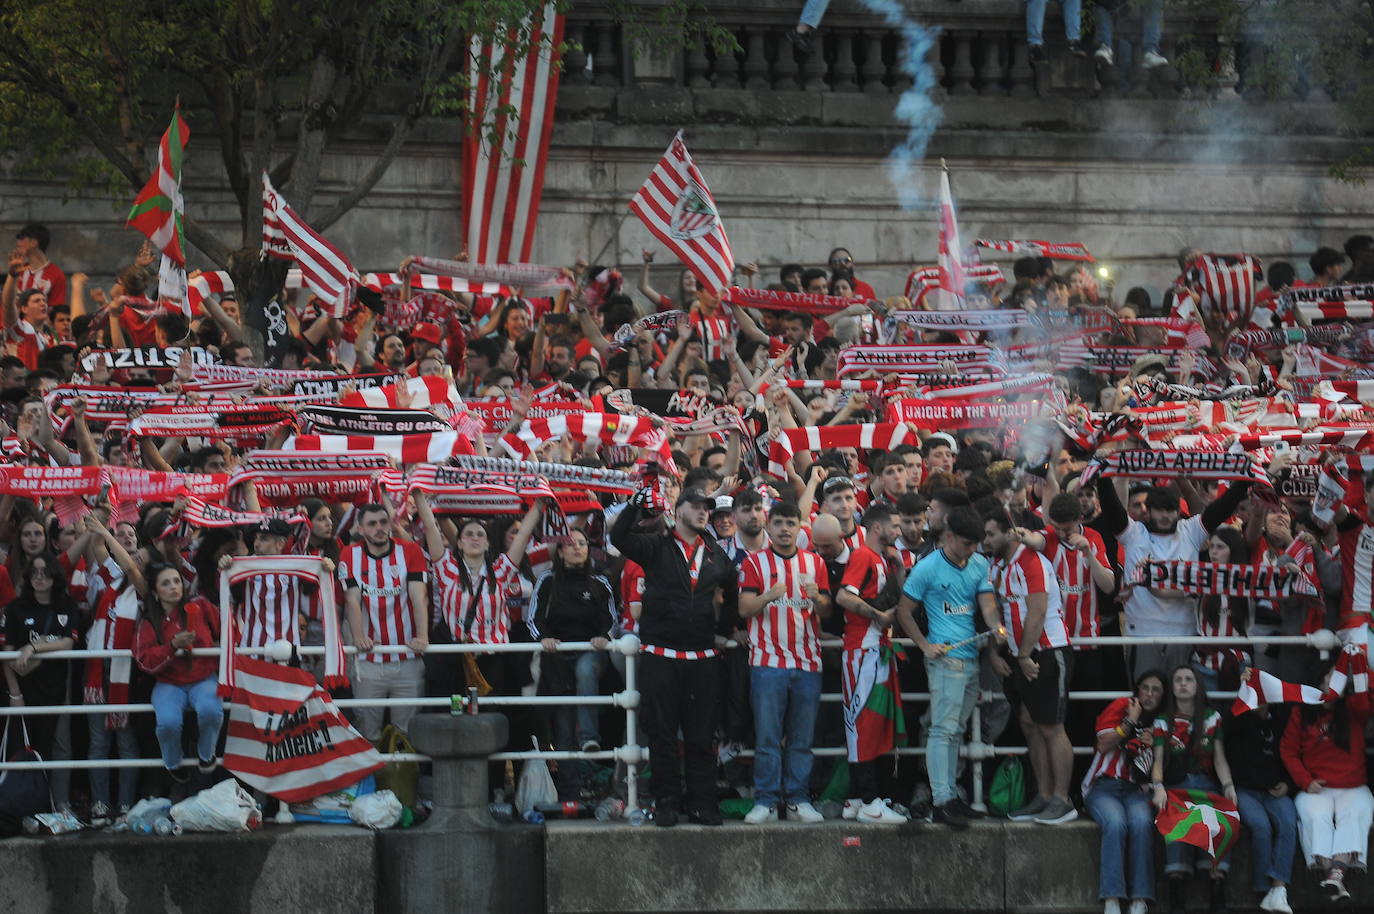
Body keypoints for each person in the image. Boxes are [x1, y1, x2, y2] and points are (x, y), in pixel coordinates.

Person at [610, 486, 738, 828]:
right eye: (695, 507)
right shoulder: (656, 546)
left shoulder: (714, 552)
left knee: (701, 736)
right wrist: (635, 506)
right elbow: (620, 537)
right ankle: (667, 803)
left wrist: (724, 630)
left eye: (706, 509)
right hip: (660, 654)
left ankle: (702, 804)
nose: (702, 513)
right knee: (662, 735)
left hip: (703, 656)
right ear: (678, 510)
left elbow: (733, 588)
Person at [895, 505, 995, 828]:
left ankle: (949, 796)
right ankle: (941, 799)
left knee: (956, 730)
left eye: (975, 544)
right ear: (949, 536)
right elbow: (904, 612)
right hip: (945, 658)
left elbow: (987, 604)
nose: (972, 551)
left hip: (970, 656)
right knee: (943, 729)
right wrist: (925, 645)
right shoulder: (927, 568)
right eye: (967, 544)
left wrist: (996, 627)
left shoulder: (979, 563)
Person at [738, 501, 831, 825]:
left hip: (807, 662)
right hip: (767, 662)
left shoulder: (814, 562)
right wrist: (768, 596)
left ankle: (797, 799)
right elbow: (744, 608)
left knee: (802, 738)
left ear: (799, 526)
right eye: (778, 523)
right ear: (768, 525)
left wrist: (818, 597)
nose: (784, 529)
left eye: (790, 523)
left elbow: (827, 612)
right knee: (767, 737)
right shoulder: (754, 563)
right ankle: (765, 800)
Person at [983, 512, 1077, 826]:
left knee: (1052, 725)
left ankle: (1063, 800)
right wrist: (996, 653)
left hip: (1048, 652)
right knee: (1029, 723)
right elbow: (997, 613)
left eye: (992, 534)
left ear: (1011, 533)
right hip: (1017, 654)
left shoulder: (1033, 561)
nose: (987, 541)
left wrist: (1023, 656)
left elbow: (1037, 611)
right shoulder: (997, 566)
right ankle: (1045, 795)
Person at [529, 528, 618, 794]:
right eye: (570, 543)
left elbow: (611, 619)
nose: (577, 547)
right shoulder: (547, 579)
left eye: (582, 543)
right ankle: (570, 791)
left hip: (591, 654)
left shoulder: (600, 581)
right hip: (556, 659)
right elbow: (534, 619)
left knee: (585, 669)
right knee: (563, 726)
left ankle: (590, 738)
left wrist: (604, 636)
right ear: (560, 550)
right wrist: (544, 638)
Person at [834, 501, 907, 824]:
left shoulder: (884, 560)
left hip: (877, 650)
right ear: (877, 528)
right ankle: (868, 799)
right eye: (894, 526)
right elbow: (843, 597)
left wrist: (901, 569)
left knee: (873, 724)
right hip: (863, 650)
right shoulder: (863, 556)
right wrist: (877, 615)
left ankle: (857, 798)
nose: (899, 531)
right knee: (863, 724)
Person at [1280, 663, 1373, 901]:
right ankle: (1334, 877)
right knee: (1314, 817)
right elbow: (1288, 750)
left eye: (1342, 677)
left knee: (1354, 814)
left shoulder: (1355, 707)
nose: (1338, 681)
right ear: (1319, 683)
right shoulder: (1302, 712)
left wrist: (1360, 661)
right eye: (1332, 677)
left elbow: (1368, 691)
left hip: (1353, 786)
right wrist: (1305, 781)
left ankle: (1335, 875)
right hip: (1315, 787)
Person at [339, 502, 429, 743]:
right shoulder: (350, 554)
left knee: (406, 733)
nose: (379, 528)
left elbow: (418, 595)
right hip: (368, 660)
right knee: (368, 733)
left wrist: (422, 636)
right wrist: (358, 636)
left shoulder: (410, 551)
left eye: (383, 521)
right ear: (361, 529)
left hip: (408, 657)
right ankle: (372, 782)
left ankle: (404, 781)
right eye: (372, 524)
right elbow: (352, 600)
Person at [1151, 665, 1236, 914]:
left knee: (1221, 823)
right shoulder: (1162, 721)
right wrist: (1158, 787)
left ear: (1197, 685)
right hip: (1175, 787)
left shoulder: (1212, 717)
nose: (1183, 684)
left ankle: (1216, 896)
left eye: (1189, 679)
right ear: (1173, 687)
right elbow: (1157, 762)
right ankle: (1177, 901)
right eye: (1178, 680)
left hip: (1207, 785)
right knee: (1177, 824)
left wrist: (1228, 786)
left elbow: (1219, 759)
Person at [1083, 669, 1167, 914]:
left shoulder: (1163, 720)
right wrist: (1129, 721)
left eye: (1156, 690)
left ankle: (1140, 899)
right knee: (1116, 822)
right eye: (1145, 688)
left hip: (1136, 790)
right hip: (1104, 787)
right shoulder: (1122, 705)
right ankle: (1112, 898)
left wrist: (1157, 744)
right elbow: (1103, 744)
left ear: (1163, 695)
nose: (1149, 694)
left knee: (1142, 823)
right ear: (1137, 689)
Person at [132, 562, 223, 787]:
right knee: (168, 724)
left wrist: (218, 644)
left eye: (176, 581)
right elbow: (144, 660)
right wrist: (172, 646)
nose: (174, 587)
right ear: (155, 592)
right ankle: (173, 763)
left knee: (211, 710)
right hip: (168, 682)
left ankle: (206, 754)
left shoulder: (201, 605)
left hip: (204, 677)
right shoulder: (149, 621)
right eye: (165, 583)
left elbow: (227, 629)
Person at [1224, 686, 1297, 914]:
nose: (1259, 700)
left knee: (1288, 823)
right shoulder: (1237, 719)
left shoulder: (1282, 719)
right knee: (1261, 827)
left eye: (1263, 695)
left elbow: (1293, 753)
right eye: (1254, 695)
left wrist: (1289, 784)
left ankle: (1279, 888)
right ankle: (1263, 890)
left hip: (1275, 790)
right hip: (1245, 791)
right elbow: (1226, 726)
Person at [3, 553, 79, 767]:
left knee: (58, 747)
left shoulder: (67, 605)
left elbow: (67, 643)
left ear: (54, 576)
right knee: (24, 747)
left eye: (45, 573)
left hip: (57, 688)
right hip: (25, 689)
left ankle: (57, 801)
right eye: (34, 572)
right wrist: (15, 694)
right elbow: (7, 654)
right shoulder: (16, 608)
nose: (39, 577)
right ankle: (27, 799)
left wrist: (33, 647)